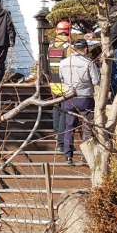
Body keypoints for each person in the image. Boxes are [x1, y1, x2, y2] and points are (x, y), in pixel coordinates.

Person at [59, 38, 100, 166]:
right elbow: (96, 81)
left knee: (69, 128)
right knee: (87, 127)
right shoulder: (89, 63)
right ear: (86, 49)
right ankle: (84, 156)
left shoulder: (64, 62)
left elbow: (61, 78)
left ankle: (68, 157)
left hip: (69, 98)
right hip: (85, 98)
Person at [48, 20, 71, 153]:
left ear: (57, 31)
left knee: (56, 109)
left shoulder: (51, 46)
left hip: (53, 83)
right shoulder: (68, 47)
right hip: (65, 83)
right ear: (68, 31)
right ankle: (61, 141)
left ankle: (56, 132)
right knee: (64, 112)